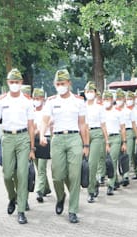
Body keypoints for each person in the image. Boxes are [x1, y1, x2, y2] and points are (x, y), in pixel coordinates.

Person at [40, 69, 89, 223]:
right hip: (58, 139)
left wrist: (86, 144)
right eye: (58, 84)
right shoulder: (51, 101)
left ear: (69, 83)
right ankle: (61, 196)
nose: (60, 86)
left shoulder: (79, 101)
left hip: (74, 138)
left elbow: (82, 124)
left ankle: (73, 210)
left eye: (63, 83)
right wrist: (42, 134)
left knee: (74, 176)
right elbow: (45, 120)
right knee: (58, 175)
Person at [0, 68, 35, 225]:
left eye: (17, 82)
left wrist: (32, 148)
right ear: (8, 83)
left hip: (23, 138)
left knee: (22, 174)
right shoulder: (2, 100)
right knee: (7, 174)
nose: (15, 84)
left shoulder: (28, 100)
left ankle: (21, 210)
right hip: (8, 138)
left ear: (21, 83)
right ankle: (12, 197)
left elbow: (31, 125)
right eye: (12, 82)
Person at [84, 81, 108, 203]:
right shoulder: (81, 106)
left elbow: (103, 125)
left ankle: (91, 191)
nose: (89, 93)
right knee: (85, 164)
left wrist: (107, 142)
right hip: (84, 135)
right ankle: (93, 183)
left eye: (91, 91)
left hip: (97, 134)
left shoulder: (99, 107)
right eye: (87, 91)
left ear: (95, 93)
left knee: (92, 164)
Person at [102, 89, 127, 196]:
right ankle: (115, 180)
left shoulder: (117, 112)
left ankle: (110, 185)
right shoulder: (101, 112)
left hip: (116, 138)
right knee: (106, 161)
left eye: (107, 99)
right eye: (104, 99)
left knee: (112, 160)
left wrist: (124, 142)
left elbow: (122, 128)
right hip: (104, 139)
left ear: (112, 100)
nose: (106, 101)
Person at [32, 88, 52, 203]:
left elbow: (49, 123)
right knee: (38, 167)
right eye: (34, 98)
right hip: (34, 141)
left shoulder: (46, 111)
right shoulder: (32, 111)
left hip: (44, 140)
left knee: (41, 167)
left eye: (38, 98)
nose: (36, 101)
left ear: (42, 99)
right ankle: (46, 188)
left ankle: (39, 191)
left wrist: (39, 130)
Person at [120, 90, 137, 186]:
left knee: (127, 155)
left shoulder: (129, 111)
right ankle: (121, 175)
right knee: (119, 156)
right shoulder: (115, 110)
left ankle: (126, 176)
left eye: (121, 98)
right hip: (118, 133)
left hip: (128, 132)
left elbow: (134, 124)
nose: (120, 100)